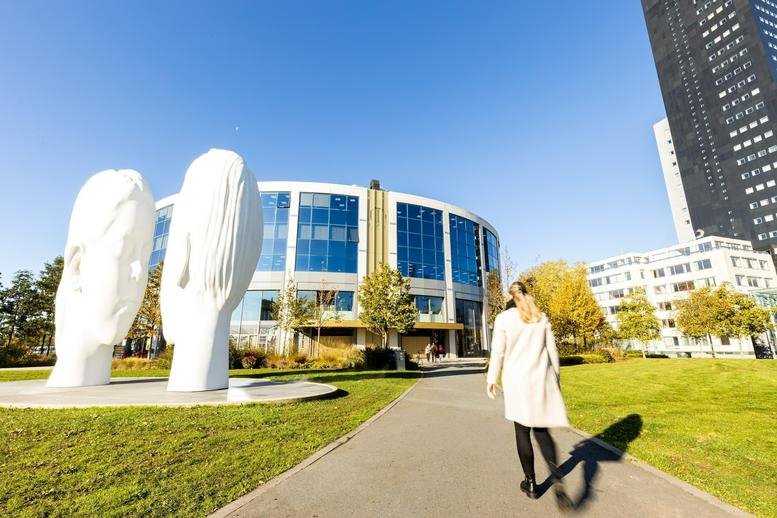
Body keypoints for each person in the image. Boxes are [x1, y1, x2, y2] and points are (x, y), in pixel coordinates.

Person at [486, 281, 572, 511]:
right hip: (541, 381)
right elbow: (552, 351)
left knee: (522, 430)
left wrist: (491, 378)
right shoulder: (540, 317)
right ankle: (557, 476)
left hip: (517, 383)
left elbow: (498, 352)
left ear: (510, 301)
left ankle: (531, 483)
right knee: (542, 431)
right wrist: (556, 378)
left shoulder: (504, 319)